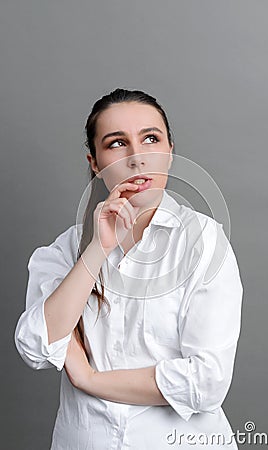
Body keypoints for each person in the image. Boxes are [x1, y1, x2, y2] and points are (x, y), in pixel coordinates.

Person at [14, 88, 243, 449]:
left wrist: (89, 379)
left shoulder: (203, 242)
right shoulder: (65, 250)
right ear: (95, 162)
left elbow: (206, 382)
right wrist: (97, 250)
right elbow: (36, 347)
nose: (137, 158)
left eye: (150, 138)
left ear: (170, 152)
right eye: (117, 143)